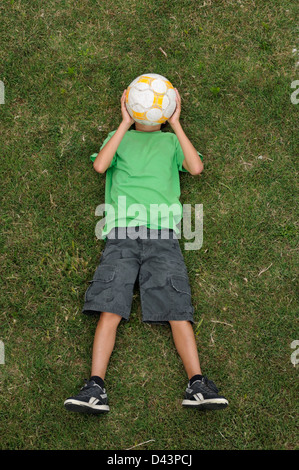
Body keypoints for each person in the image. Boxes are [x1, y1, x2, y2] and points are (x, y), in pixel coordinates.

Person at [64, 87, 228, 414]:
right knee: (110, 305)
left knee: (177, 308)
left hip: (163, 237)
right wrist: (124, 124)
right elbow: (101, 166)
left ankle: (197, 383)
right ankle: (95, 387)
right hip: (121, 234)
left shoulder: (170, 142)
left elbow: (195, 168)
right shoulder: (118, 136)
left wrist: (177, 124)